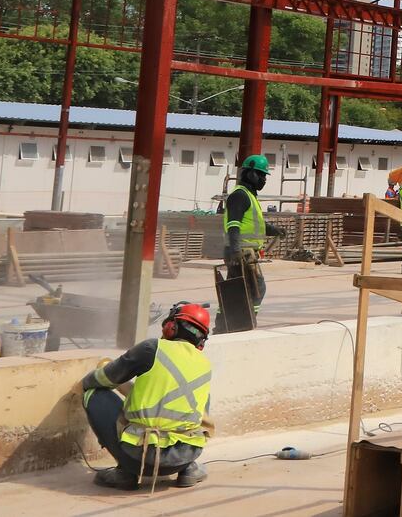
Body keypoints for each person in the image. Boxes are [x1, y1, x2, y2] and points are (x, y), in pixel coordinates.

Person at [79, 302, 213, 490]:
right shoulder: (204, 364)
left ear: (171, 327)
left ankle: (125, 472)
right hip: (185, 457)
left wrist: (87, 380)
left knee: (94, 394)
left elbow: (103, 379)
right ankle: (189, 469)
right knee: (193, 404)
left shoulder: (151, 349)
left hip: (141, 459)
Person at [222, 154, 281, 312]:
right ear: (250, 173)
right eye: (261, 175)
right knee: (256, 288)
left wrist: (275, 231)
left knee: (238, 289)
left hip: (244, 251)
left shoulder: (249, 196)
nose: (264, 179)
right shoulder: (240, 195)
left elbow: (256, 225)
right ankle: (244, 320)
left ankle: (229, 322)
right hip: (241, 251)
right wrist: (235, 250)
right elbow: (233, 225)